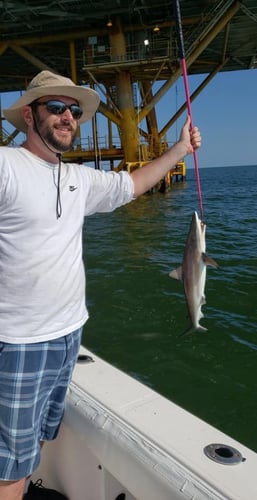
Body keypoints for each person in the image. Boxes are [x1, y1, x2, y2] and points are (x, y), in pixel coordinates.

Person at [0, 70, 201, 500]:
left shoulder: (79, 179)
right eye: (55, 107)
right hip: (18, 341)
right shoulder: (6, 166)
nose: (67, 116)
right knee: (8, 466)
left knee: (35, 441)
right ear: (29, 116)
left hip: (69, 332)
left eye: (73, 110)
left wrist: (180, 149)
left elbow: (132, 185)